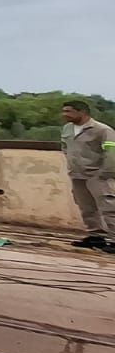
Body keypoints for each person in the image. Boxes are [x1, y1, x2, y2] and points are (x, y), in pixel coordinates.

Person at [61, 100, 115, 254]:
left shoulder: (102, 130)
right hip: (77, 174)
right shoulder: (67, 129)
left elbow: (111, 153)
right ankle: (95, 236)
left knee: (109, 208)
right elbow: (65, 147)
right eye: (64, 111)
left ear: (82, 112)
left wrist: (105, 172)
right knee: (87, 208)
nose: (64, 115)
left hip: (98, 176)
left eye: (68, 111)